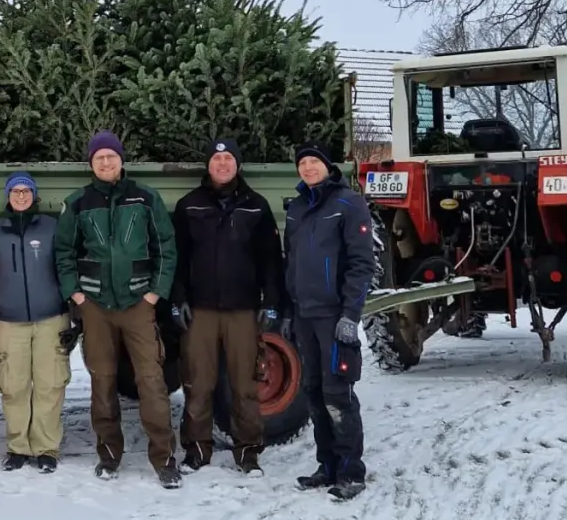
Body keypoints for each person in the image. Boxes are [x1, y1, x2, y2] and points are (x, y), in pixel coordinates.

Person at [55, 131, 180, 487]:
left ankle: (164, 457)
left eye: (111, 156)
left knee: (151, 381)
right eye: (99, 158)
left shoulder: (144, 198)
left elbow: (165, 247)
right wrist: (76, 295)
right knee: (102, 381)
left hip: (138, 304)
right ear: (91, 163)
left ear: (121, 160)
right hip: (95, 306)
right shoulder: (78, 203)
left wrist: (156, 292)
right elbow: (63, 253)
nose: (106, 162)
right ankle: (108, 455)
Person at [171, 137, 284, 474]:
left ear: (237, 165)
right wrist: (177, 300)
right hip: (201, 311)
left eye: (228, 159)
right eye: (216, 159)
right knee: (198, 384)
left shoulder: (256, 206)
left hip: (243, 311)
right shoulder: (189, 205)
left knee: (244, 385)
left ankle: (248, 453)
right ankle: (196, 451)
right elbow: (177, 259)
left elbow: (271, 261)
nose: (222, 164)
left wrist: (273, 302)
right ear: (208, 165)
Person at [284, 142, 375, 500]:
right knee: (313, 392)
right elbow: (290, 261)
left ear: (327, 166)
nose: (308, 168)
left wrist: (351, 315)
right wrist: (290, 309)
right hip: (304, 315)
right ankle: (328, 466)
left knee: (338, 393)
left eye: (313, 162)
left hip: (335, 316)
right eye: (302, 163)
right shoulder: (297, 208)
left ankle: (351, 471)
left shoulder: (348, 203)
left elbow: (361, 264)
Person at [0, 172, 70, 472]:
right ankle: (18, 446)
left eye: (27, 190)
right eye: (15, 191)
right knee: (13, 385)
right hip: (10, 320)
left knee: (50, 384)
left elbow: (64, 265)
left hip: (51, 318)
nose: (21, 196)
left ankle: (46, 448)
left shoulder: (51, 228)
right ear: (7, 195)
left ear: (35, 195)